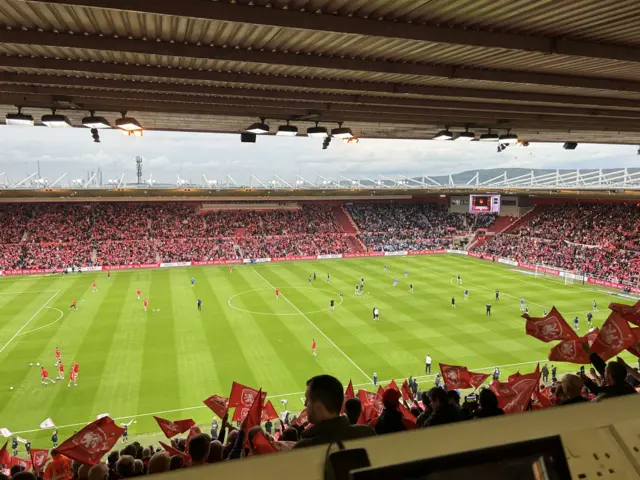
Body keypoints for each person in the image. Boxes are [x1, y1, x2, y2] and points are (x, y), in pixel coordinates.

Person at [294, 375, 375, 448]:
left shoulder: (303, 448)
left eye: (307, 400)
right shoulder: (367, 433)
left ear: (319, 406)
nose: (305, 404)